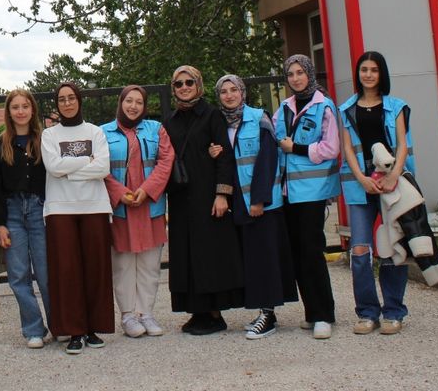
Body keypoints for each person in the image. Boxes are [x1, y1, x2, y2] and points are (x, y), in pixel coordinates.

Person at [213, 75, 295, 340]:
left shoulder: (259, 118)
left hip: (262, 204)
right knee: (253, 260)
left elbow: (267, 161)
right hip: (241, 205)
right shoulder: (221, 123)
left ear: (243, 92)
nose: (229, 95)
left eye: (233, 89)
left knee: (266, 259)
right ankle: (263, 311)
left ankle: (268, 316)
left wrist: (259, 200)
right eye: (223, 91)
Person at [163, 66, 243, 335]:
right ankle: (196, 312)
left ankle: (214, 313)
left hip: (207, 195)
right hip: (180, 197)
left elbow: (225, 157)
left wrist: (222, 194)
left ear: (199, 84)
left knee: (209, 254)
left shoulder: (212, 116)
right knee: (186, 254)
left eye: (189, 82)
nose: (184, 87)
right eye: (178, 83)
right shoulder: (170, 120)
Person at [338, 51, 414, 335]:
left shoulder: (396, 106)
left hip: (392, 184)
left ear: (382, 74)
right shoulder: (346, 108)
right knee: (359, 249)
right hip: (361, 186)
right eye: (363, 69)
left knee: (393, 247)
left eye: (373, 70)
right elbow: (347, 149)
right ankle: (367, 312)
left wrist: (393, 175)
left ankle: (394, 311)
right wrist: (361, 179)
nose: (368, 74)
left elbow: (403, 145)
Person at [40, 81, 114, 355]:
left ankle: (94, 328)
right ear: (57, 104)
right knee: (67, 272)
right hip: (60, 209)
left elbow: (103, 167)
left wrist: (68, 169)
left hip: (94, 206)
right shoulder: (49, 134)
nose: (67, 103)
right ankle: (74, 331)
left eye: (71, 98)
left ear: (79, 101)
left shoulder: (95, 132)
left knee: (95, 269)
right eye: (62, 99)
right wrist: (86, 161)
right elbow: (52, 166)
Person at [274, 54, 341, 340]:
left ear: (310, 74)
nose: (295, 78)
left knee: (312, 252)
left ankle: (324, 314)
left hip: (312, 193)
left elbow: (331, 148)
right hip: (288, 192)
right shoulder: (284, 108)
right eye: (291, 74)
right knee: (298, 254)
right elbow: (276, 143)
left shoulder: (324, 107)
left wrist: (298, 150)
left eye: (300, 72)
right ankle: (312, 311)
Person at [101, 85, 174, 338]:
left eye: (139, 102)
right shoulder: (103, 133)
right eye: (129, 101)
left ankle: (147, 313)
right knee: (122, 264)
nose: (133, 106)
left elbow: (166, 162)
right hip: (121, 207)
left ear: (145, 106)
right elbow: (101, 168)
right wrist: (120, 193)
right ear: (120, 103)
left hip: (149, 204)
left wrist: (147, 189)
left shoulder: (156, 129)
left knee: (150, 263)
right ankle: (128, 315)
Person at [0, 89, 51, 348]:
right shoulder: (2, 145)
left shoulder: (44, 141)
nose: (21, 111)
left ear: (32, 109)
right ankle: (34, 328)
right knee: (19, 275)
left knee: (46, 273)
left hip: (39, 210)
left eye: (25, 106)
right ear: (9, 112)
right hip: (12, 213)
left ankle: (59, 324)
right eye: (15, 107)